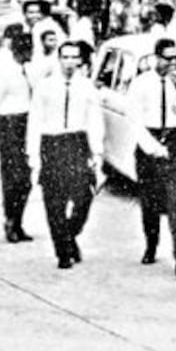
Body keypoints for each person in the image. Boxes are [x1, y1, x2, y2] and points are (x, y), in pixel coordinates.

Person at [27, 41, 106, 269]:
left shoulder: (86, 87)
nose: (70, 62)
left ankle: (70, 235)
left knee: (83, 197)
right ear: (59, 59)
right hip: (52, 143)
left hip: (77, 143)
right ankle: (62, 251)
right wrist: (34, 156)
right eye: (65, 57)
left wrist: (97, 151)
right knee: (55, 202)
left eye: (74, 57)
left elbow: (94, 120)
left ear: (80, 60)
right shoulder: (45, 86)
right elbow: (35, 121)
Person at [129, 38, 176, 276]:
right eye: (168, 58)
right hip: (149, 141)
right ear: (156, 57)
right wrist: (153, 147)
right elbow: (134, 118)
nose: (172, 62)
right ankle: (151, 245)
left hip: (174, 139)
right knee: (150, 200)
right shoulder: (141, 83)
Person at [0, 32, 36, 243]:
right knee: (14, 178)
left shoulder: (26, 70)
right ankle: (10, 220)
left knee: (26, 180)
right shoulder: (3, 72)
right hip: (9, 126)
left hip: (26, 124)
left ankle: (18, 221)